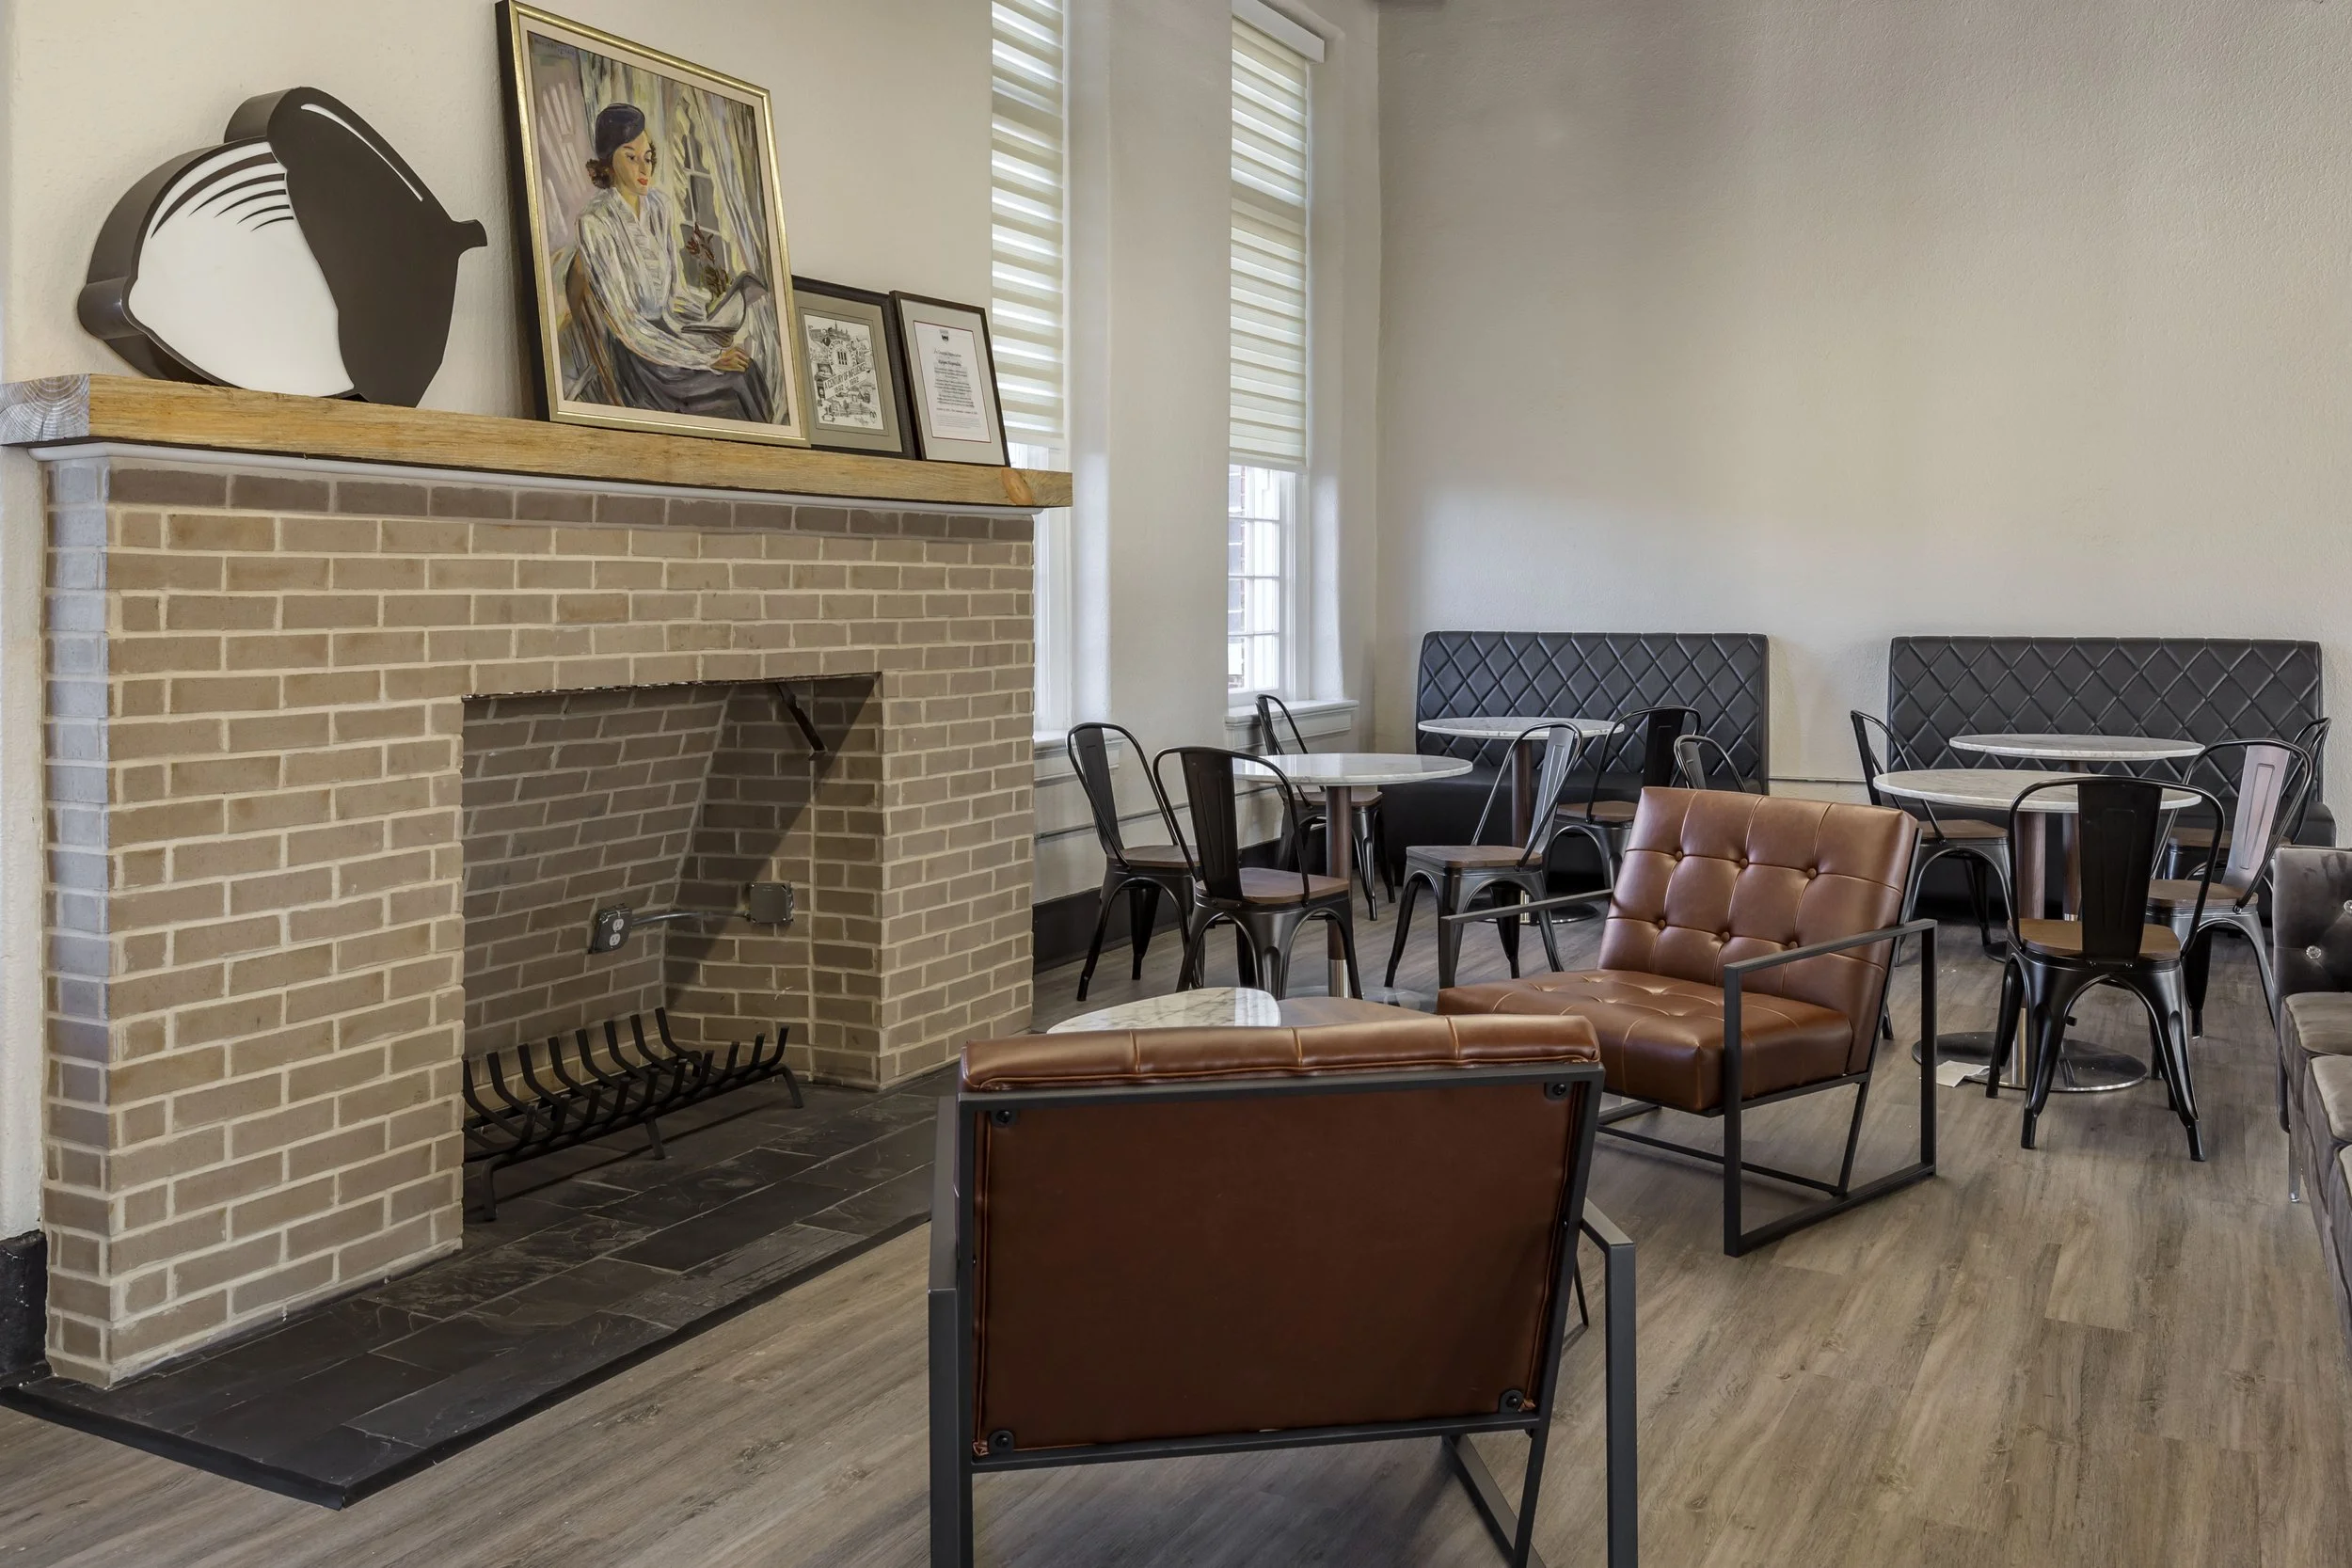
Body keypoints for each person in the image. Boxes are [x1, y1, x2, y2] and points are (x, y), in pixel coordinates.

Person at [570, 103, 773, 420]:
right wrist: (706, 357)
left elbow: (673, 293)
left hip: (670, 333)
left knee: (749, 371)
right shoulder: (595, 223)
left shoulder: (660, 207)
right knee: (735, 385)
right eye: (631, 157)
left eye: (648, 157)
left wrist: (710, 321)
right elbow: (628, 326)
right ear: (608, 160)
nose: (644, 169)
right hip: (640, 359)